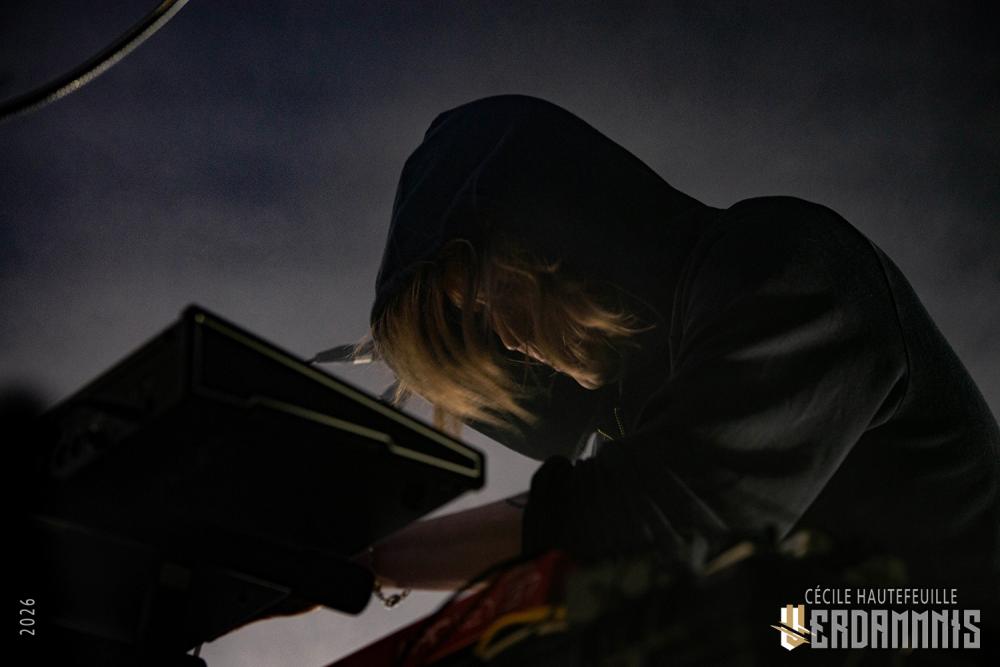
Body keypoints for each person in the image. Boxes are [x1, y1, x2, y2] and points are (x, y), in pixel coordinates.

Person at [359, 94, 1000, 616]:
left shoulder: (790, 266)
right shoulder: (650, 400)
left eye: (485, 297)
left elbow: (655, 523)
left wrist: (371, 561)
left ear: (544, 241)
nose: (500, 339)